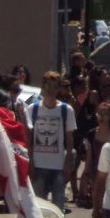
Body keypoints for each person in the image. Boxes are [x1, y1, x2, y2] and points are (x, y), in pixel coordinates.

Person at [29, 71, 77, 210]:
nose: (50, 91)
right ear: (42, 87)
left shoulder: (66, 110)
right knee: (39, 207)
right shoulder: (33, 109)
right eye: (48, 86)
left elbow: (69, 139)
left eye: (54, 87)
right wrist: (30, 162)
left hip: (58, 166)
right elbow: (29, 138)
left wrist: (67, 163)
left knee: (58, 206)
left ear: (58, 89)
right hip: (38, 165)